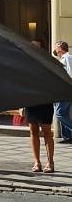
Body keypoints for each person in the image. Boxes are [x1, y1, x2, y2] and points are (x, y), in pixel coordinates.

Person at [24, 39, 54, 173]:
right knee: (33, 131)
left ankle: (50, 162)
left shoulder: (48, 63)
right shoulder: (26, 64)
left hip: (45, 101)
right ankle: (37, 162)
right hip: (31, 101)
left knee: (47, 132)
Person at [53, 40, 72, 144]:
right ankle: (67, 137)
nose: (55, 49)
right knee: (63, 113)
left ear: (60, 48)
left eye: (56, 47)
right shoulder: (62, 59)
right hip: (61, 89)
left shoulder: (67, 58)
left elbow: (70, 74)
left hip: (66, 90)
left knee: (59, 113)